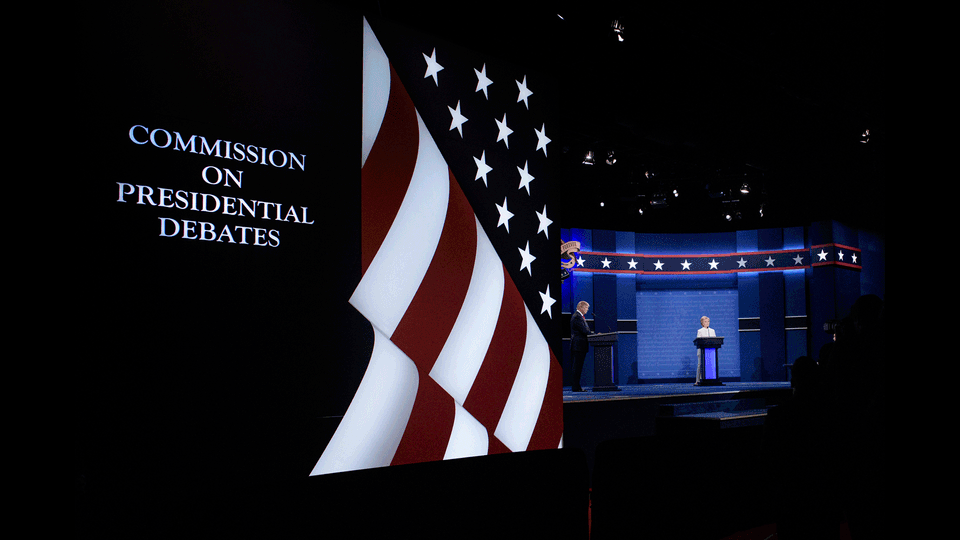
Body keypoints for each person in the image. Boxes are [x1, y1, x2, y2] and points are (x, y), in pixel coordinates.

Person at [569, 301, 593, 392]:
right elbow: (584, 330)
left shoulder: (579, 316)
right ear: (581, 307)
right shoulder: (577, 317)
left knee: (578, 367)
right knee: (576, 367)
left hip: (580, 346)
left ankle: (577, 386)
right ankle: (575, 387)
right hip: (578, 346)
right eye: (586, 308)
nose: (587, 310)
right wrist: (592, 334)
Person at [695, 316, 716, 385]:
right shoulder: (700, 331)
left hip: (711, 351)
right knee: (700, 365)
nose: (707, 323)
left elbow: (715, 341)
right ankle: (698, 380)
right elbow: (698, 341)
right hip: (702, 351)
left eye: (708, 321)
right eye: (705, 322)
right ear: (702, 323)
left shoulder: (712, 331)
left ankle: (711, 380)